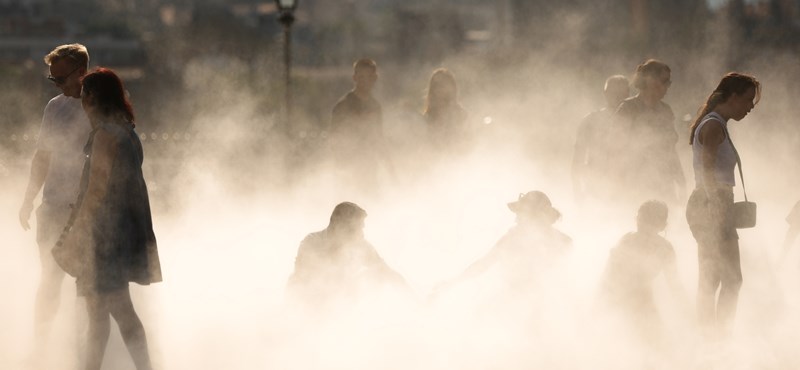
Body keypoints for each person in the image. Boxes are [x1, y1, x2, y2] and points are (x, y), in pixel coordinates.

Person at [58, 68, 162, 370]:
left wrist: (78, 232)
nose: (82, 103)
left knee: (115, 313)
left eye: (84, 96)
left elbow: (97, 189)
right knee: (101, 315)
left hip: (104, 237)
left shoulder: (105, 135)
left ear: (92, 98)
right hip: (122, 233)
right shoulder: (127, 131)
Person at [18, 43, 92, 350]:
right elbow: (42, 157)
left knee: (86, 285)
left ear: (81, 73)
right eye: (53, 80)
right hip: (52, 209)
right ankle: (41, 347)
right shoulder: (54, 107)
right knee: (49, 280)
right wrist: (28, 199)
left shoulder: (99, 107)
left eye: (61, 79)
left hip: (86, 211)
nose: (57, 86)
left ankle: (85, 351)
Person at [685, 72, 760, 337]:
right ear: (733, 96)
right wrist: (715, 206)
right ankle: (713, 340)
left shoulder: (717, 123)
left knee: (720, 279)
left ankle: (714, 337)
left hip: (715, 204)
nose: (751, 107)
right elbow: (707, 169)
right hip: (710, 204)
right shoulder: (714, 125)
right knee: (720, 279)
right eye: (748, 100)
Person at [435, 191, 572, 294]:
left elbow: (565, 282)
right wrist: (451, 283)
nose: (517, 217)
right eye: (518, 213)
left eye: (521, 213)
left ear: (535, 216)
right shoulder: (512, 238)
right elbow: (484, 264)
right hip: (514, 305)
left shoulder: (563, 244)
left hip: (534, 310)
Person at [286, 202, 409, 311]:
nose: (362, 230)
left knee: (375, 274)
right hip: (307, 303)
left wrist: (414, 299)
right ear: (341, 227)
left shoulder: (360, 246)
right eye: (358, 226)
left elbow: (386, 272)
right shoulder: (312, 242)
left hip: (339, 301)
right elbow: (302, 280)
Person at [600, 200, 685, 343]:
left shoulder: (665, 249)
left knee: (660, 345)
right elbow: (608, 274)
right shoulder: (627, 240)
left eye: (646, 221)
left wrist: (688, 315)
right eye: (639, 220)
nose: (641, 225)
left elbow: (675, 285)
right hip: (619, 298)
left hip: (643, 299)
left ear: (660, 226)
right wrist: (599, 305)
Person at [615, 59, 686, 205]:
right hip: (635, 183)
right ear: (650, 81)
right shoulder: (628, 109)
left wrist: (680, 179)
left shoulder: (666, 111)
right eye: (664, 81)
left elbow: (670, 150)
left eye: (669, 83)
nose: (667, 87)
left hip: (664, 183)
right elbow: (616, 148)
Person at [328, 59, 393, 189]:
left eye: (369, 77)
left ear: (375, 78)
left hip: (370, 171)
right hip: (348, 173)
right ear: (354, 78)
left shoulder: (375, 107)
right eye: (361, 77)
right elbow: (334, 141)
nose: (365, 81)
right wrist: (342, 170)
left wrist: (391, 171)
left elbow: (379, 140)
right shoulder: (343, 106)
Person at [572, 75, 630, 204]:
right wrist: (578, 193)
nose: (618, 97)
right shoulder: (590, 121)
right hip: (595, 190)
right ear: (605, 93)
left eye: (622, 93)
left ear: (628, 95)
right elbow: (577, 161)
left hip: (628, 190)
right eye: (613, 93)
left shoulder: (636, 123)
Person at [423, 68, 470, 153]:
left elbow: (468, 143)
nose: (441, 90)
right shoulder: (426, 119)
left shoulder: (461, 116)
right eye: (437, 86)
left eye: (444, 86)